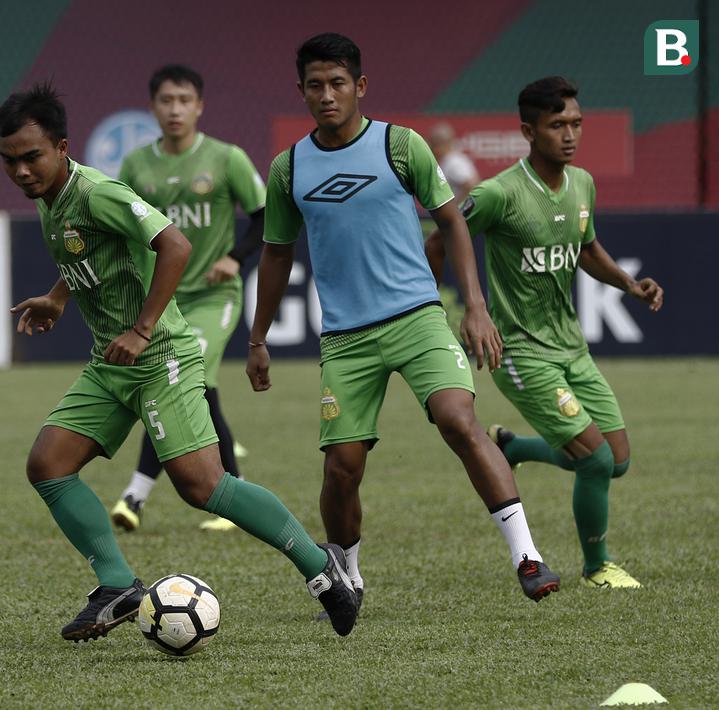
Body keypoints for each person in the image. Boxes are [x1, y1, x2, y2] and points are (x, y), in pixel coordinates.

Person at [0, 82, 359, 639]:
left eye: (31, 157)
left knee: (202, 486)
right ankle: (117, 585)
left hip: (160, 352)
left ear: (63, 147)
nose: (21, 170)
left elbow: (176, 245)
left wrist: (142, 329)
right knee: (48, 464)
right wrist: (59, 297)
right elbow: (87, 252)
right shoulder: (52, 201)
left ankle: (320, 567)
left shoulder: (96, 191)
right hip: (110, 363)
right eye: (9, 161)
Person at [246, 33, 562, 617]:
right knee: (342, 469)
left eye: (338, 82)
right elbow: (275, 253)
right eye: (314, 85)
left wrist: (475, 305)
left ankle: (528, 556)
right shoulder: (289, 167)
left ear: (360, 86)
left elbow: (453, 222)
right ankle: (347, 576)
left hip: (418, 317)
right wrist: (259, 337)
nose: (326, 95)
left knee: (457, 419)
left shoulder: (400, 145)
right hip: (346, 338)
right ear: (301, 91)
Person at [428, 76, 663, 588]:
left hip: (571, 349)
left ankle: (516, 448)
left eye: (576, 123)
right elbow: (444, 234)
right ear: (528, 132)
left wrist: (629, 284)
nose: (570, 134)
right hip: (519, 352)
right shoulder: (498, 193)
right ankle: (598, 566)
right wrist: (471, 308)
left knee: (616, 462)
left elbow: (587, 248)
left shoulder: (582, 184)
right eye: (557, 125)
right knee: (595, 459)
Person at [109, 64, 267, 533]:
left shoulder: (226, 158)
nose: (175, 109)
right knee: (194, 385)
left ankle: (135, 495)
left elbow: (265, 217)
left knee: (179, 373)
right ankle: (234, 487)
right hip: (163, 299)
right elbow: (122, 229)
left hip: (214, 297)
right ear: (153, 108)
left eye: (184, 100)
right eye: (166, 101)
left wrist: (236, 258)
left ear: (199, 106)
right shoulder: (137, 166)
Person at [425, 122, 480, 277]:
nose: (431, 148)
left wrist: (456, 210)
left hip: (461, 221)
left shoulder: (454, 162)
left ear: (441, 144)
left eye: (433, 144)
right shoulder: (450, 160)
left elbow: (472, 185)